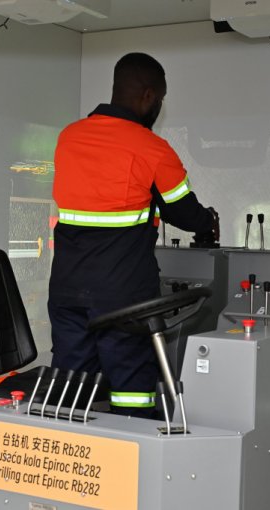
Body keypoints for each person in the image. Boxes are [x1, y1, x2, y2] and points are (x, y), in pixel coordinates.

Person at [48, 52, 219, 417]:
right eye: (160, 99)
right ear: (148, 96)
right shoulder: (151, 148)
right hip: (123, 296)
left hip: (66, 290)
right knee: (132, 390)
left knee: (70, 388)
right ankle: (133, 444)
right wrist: (209, 221)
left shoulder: (69, 137)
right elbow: (183, 212)